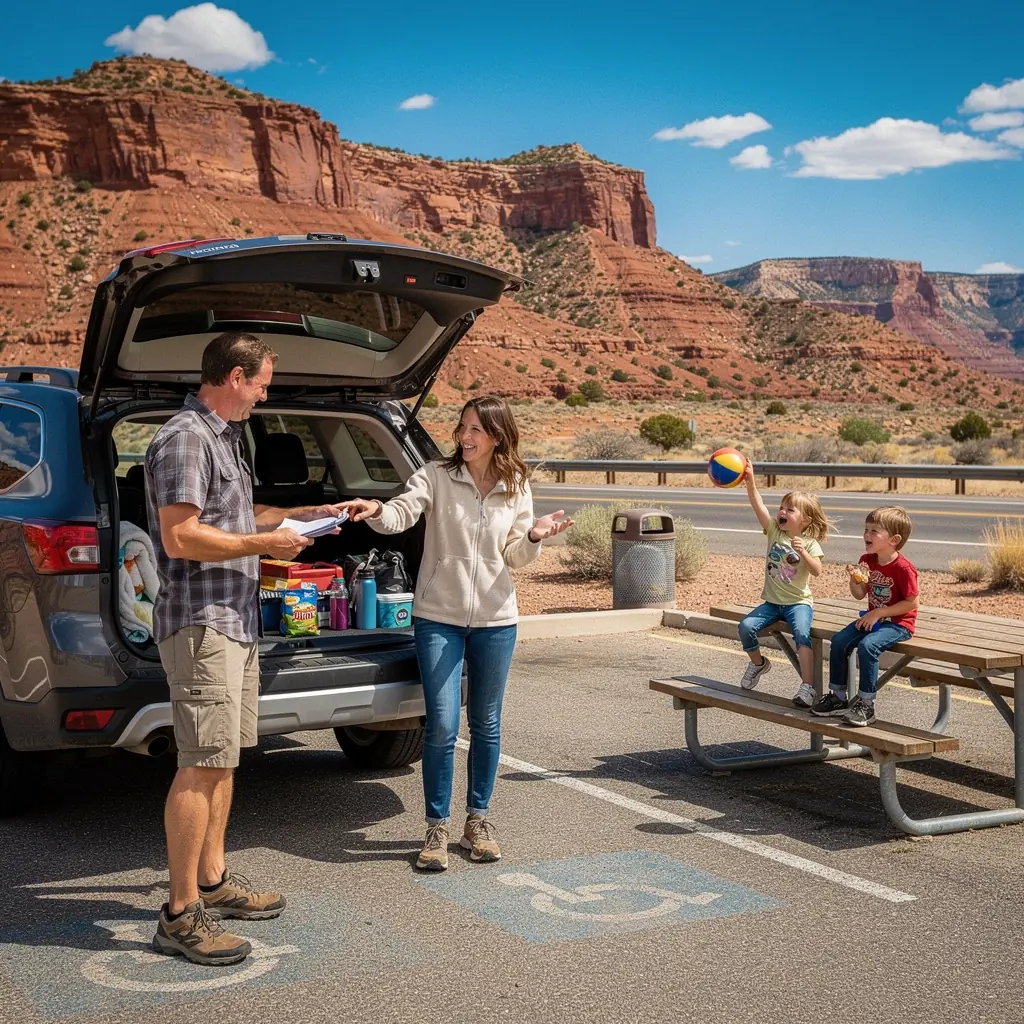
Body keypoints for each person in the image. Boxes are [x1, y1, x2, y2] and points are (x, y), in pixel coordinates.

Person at [145, 331, 349, 966]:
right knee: (199, 763)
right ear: (234, 376)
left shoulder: (224, 438)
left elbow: (238, 515)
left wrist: (308, 515)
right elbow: (181, 537)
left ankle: (213, 881)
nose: (265, 394)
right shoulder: (185, 437)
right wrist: (266, 546)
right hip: (201, 622)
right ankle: (180, 915)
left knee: (224, 760)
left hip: (234, 622)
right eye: (261, 383)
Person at [342, 396, 573, 871]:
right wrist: (375, 510)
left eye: (476, 431)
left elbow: (513, 558)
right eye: (463, 427)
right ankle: (436, 828)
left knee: (486, 725)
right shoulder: (435, 476)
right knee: (443, 725)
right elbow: (403, 513)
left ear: (497, 436)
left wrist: (533, 538)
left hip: (496, 621)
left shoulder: (516, 485)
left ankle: (479, 821)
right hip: (438, 619)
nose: (465, 438)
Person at [811, 505, 918, 727]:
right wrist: (855, 579)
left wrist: (879, 612)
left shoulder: (904, 569)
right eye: (866, 530)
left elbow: (911, 603)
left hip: (898, 624)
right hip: (873, 618)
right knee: (839, 641)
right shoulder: (867, 560)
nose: (866, 535)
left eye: (874, 531)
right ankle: (839, 697)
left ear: (894, 540)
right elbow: (860, 594)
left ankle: (866, 704)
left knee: (869, 646)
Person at [736, 462, 830, 708]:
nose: (783, 512)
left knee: (802, 634)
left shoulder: (810, 544)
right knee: (745, 627)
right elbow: (758, 504)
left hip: (798, 603)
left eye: (791, 509)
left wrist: (804, 554)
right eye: (782, 507)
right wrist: (750, 481)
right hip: (772, 603)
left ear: (806, 519)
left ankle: (807, 686)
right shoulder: (774, 532)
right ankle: (758, 664)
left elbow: (817, 571)